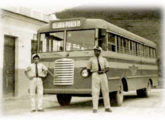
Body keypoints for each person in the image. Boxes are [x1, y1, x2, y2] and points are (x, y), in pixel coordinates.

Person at [87, 46, 112, 113]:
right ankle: (95, 108)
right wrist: (92, 74)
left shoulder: (104, 59)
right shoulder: (91, 59)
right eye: (95, 51)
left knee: (105, 90)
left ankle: (107, 107)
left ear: (100, 52)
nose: (96, 52)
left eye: (98, 51)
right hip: (95, 74)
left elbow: (107, 68)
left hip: (103, 75)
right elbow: (88, 68)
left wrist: (104, 71)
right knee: (95, 91)